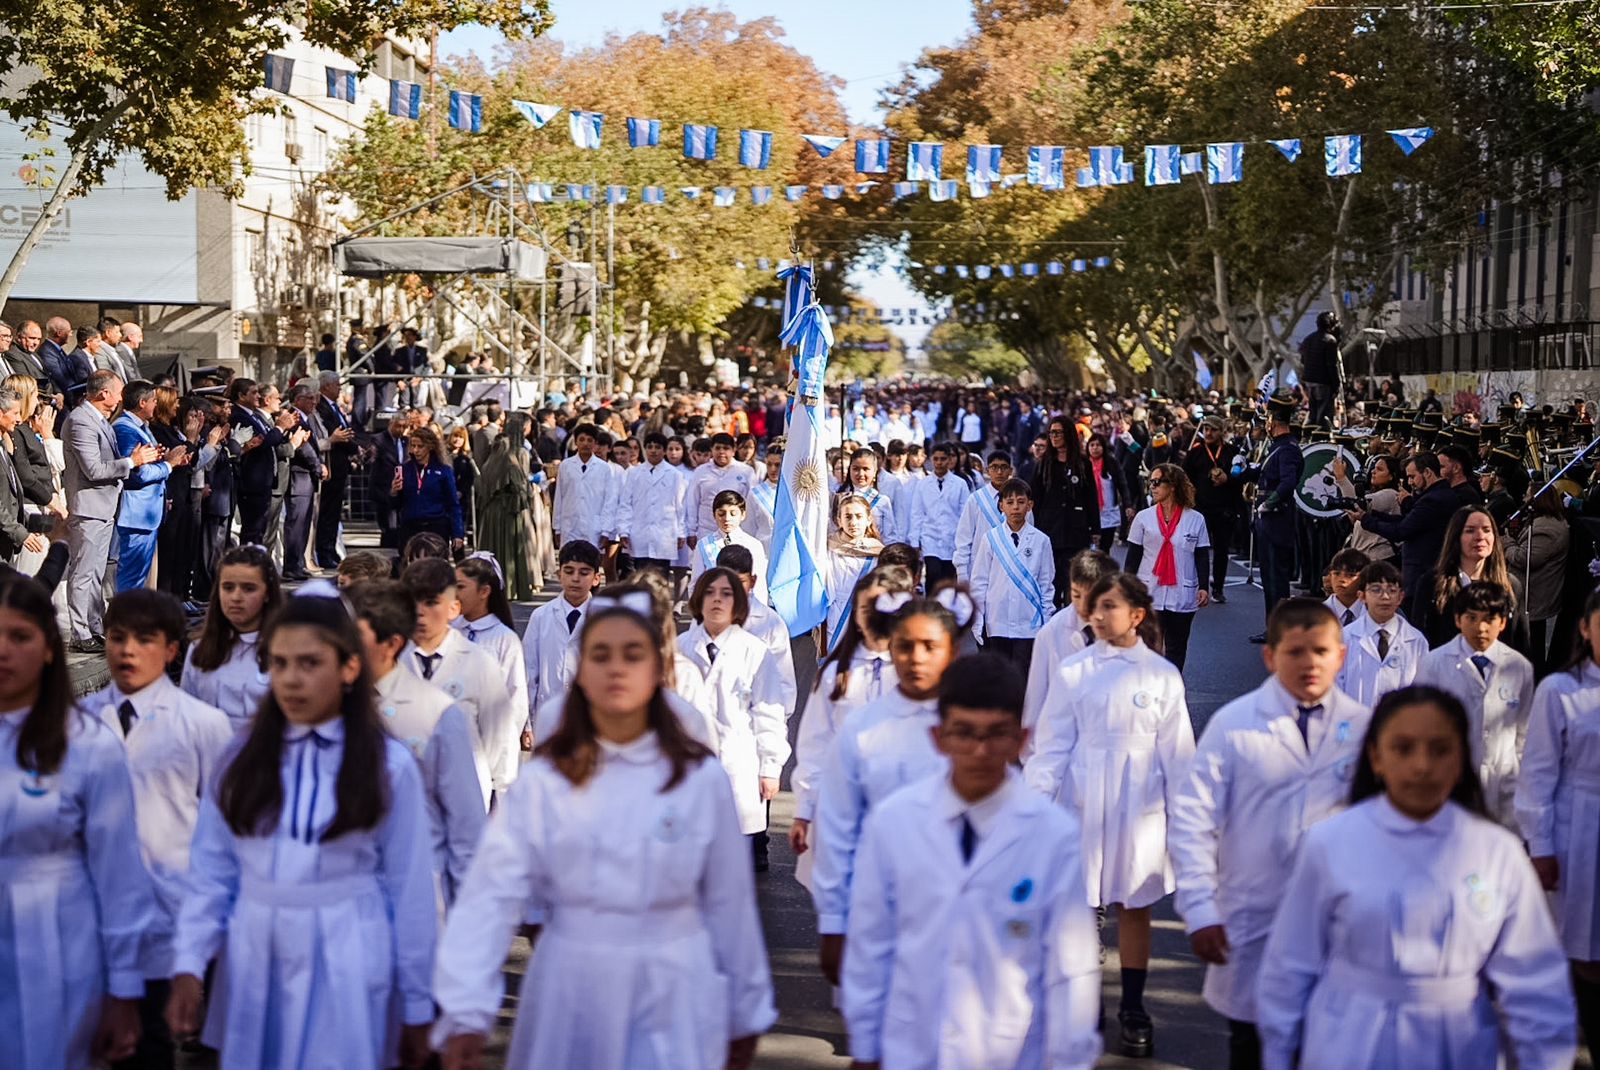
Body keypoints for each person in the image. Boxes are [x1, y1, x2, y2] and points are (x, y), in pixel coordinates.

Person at [432, 601, 775, 1069]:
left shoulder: (698, 779)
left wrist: (745, 1008)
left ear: (657, 670)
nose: (616, 668)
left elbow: (728, 901)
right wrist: (465, 1010)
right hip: (572, 978)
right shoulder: (546, 780)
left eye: (632, 655)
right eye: (601, 655)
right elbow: (491, 894)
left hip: (672, 979)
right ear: (581, 672)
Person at [165, 585, 437, 1069]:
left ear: (349, 667)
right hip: (256, 954)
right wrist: (189, 962)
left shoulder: (386, 765)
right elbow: (211, 870)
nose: (291, 679)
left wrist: (418, 1003)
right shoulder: (241, 760)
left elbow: (410, 890)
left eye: (310, 663)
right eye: (280, 663)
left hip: (347, 952)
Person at [1256, 685, 1575, 1070]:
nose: (1422, 766)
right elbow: (1290, 963)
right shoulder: (1331, 843)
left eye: (1440, 750)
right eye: (1403, 749)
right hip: (1348, 1041)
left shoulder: (1496, 852)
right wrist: (1279, 1053)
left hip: (1461, 1044)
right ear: (1376, 757)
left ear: (1460, 760)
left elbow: (1535, 983)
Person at [843, 654, 1103, 1070]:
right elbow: (871, 942)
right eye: (964, 733)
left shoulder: (1053, 835)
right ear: (938, 736)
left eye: (996, 734)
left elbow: (1070, 966)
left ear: (1021, 739)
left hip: (1014, 1050)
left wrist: (1070, 1060)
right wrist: (866, 1044)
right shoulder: (894, 822)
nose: (980, 751)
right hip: (911, 1045)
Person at [1169, 598, 1372, 1070]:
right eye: (1295, 652)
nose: (1309, 664)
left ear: (1341, 656)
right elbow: (1193, 819)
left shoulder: (1364, 729)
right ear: (1269, 656)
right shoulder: (1234, 724)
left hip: (1339, 921)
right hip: (1254, 917)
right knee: (1253, 1046)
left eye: (1321, 651)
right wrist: (1200, 908)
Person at [1025, 572, 1193, 1055]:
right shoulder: (1074, 671)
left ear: (1137, 615)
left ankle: (1134, 1006)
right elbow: (1051, 748)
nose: (1097, 616)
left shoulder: (1161, 675)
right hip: (1081, 804)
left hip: (1140, 807)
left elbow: (1180, 756)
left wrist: (1189, 824)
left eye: (1109, 607)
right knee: (1081, 909)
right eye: (1094, 607)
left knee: (1134, 907)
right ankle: (1087, 1002)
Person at [0, 577, 156, 1069]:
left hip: (57, 942)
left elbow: (120, 877)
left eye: (19, 637)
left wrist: (124, 990)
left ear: (49, 648)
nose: (2, 651)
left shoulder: (87, 745)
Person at [80, 589, 233, 1069]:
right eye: (117, 638)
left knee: (149, 1045)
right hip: (88, 915)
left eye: (144, 640)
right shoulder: (78, 723)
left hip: (169, 912)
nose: (127, 651)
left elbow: (222, 832)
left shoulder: (204, 724)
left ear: (171, 650)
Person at [811, 588, 977, 986]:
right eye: (904, 646)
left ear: (952, 652)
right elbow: (837, 827)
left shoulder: (973, 728)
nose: (916, 658)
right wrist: (834, 921)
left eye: (930, 647)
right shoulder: (861, 728)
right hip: (877, 902)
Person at [349, 579, 486, 905]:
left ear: (391, 644)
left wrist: (469, 915)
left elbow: (467, 829)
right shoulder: (328, 706)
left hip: (418, 890)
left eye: (352, 638)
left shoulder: (435, 713)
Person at [790, 566, 914, 887]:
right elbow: (815, 745)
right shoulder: (836, 674)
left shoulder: (913, 672)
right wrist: (805, 808)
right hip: (844, 805)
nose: (874, 617)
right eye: (865, 608)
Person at [1515, 586, 1600, 1056]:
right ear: (1585, 629)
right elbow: (1538, 774)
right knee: (1581, 947)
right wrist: (1541, 845)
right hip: (1579, 831)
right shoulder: (1561, 691)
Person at [678, 567, 790, 869]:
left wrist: (770, 768)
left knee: (732, 861)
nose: (717, 600)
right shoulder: (680, 648)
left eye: (726, 594)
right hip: (688, 763)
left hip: (738, 762)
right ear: (698, 599)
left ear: (738, 603)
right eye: (710, 593)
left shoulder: (754, 651)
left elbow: (768, 712)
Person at [1414, 581, 1533, 828]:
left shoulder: (1519, 666)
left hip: (1503, 787)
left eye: (1490, 619)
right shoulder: (1434, 664)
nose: (1481, 628)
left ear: (1503, 622)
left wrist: (1523, 781)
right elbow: (1420, 725)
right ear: (1457, 620)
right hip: (1448, 784)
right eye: (1472, 618)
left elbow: (1524, 734)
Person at [401, 558, 519, 806]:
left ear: (453, 608)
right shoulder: (393, 661)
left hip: (465, 794)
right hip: (406, 795)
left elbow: (499, 737)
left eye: (431, 602)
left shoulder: (479, 664)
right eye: (411, 601)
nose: (419, 612)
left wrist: (502, 795)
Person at [64, 371, 158, 651]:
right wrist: (132, 461)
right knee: (83, 572)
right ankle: (80, 633)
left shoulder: (100, 420)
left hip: (104, 506)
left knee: (96, 573)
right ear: (104, 393)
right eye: (118, 392)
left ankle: (94, 627)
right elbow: (93, 469)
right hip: (89, 508)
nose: (120, 398)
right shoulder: (81, 420)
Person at [1022, 548, 1120, 746]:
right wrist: (1032, 754)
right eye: (1076, 595)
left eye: (1092, 597)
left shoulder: (1125, 630)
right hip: (1063, 744)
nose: (1083, 606)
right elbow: (1036, 700)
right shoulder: (1051, 633)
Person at [181, 545, 283, 730]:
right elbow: (187, 717)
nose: (236, 597)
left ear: (267, 593)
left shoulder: (285, 650)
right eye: (228, 587)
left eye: (248, 588)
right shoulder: (200, 648)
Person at [1124, 463, 1211, 670]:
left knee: (1176, 648)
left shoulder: (1195, 519)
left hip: (1182, 592)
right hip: (1149, 592)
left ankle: (1172, 684)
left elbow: (1201, 556)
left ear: (1172, 486)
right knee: (1149, 647)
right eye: (1150, 482)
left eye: (1157, 482)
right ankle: (1148, 686)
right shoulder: (1143, 518)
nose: (1152, 487)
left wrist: (1203, 586)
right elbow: (1133, 558)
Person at [1353, 453, 1457, 621]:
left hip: (1423, 573)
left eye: (1412, 477)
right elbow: (1407, 521)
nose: (1410, 482)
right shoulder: (1437, 496)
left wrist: (1367, 520)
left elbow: (1401, 531)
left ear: (1427, 472)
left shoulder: (1433, 500)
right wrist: (1371, 516)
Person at [969, 477, 1054, 667]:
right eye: (1010, 502)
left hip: (1029, 622)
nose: (1015, 507)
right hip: (997, 620)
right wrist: (978, 618)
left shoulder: (1041, 540)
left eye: (1021, 502)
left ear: (1030, 505)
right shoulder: (990, 539)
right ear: (1001, 506)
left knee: (1022, 673)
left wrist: (1047, 618)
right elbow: (979, 581)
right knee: (999, 673)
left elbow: (1046, 583)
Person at [1410, 506, 1522, 648]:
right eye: (1470, 530)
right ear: (1456, 537)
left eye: (1486, 530)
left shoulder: (1510, 585)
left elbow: (1520, 644)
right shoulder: (1431, 584)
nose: (1480, 537)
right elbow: (1419, 643)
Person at [110, 380, 184, 592]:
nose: (156, 404)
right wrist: (168, 465)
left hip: (148, 513)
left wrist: (164, 459)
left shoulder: (141, 427)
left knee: (140, 576)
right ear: (142, 402)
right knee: (131, 577)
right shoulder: (125, 429)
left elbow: (147, 464)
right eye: (153, 400)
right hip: (136, 515)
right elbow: (135, 473)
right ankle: (125, 612)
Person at [1245, 396, 1304, 643]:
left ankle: (1279, 629)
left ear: (1273, 421)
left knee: (1276, 579)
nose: (1265, 424)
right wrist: (1244, 469)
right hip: (1267, 520)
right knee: (1269, 577)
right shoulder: (1277, 446)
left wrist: (1270, 503)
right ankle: (1273, 627)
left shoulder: (1288, 448)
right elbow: (1264, 475)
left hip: (1276, 519)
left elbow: (1289, 482)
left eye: (1267, 419)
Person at [451, 555, 530, 737]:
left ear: (484, 592)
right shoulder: (449, 631)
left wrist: (501, 743)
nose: (454, 593)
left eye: (461, 587)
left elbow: (516, 697)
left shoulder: (504, 639)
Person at [522, 539, 602, 716]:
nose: (575, 578)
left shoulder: (604, 619)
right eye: (569, 571)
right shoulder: (541, 616)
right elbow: (529, 669)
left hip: (590, 715)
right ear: (559, 575)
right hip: (547, 712)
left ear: (596, 579)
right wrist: (526, 720)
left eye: (584, 573)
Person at [1336, 561, 1426, 706]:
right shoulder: (1345, 637)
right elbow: (1336, 686)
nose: (1385, 597)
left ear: (1400, 597)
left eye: (1392, 590)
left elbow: (1422, 689)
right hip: (1355, 717)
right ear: (1362, 596)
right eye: (1376, 590)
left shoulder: (1416, 641)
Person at [1031, 418, 1097, 607]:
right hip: (1049, 531)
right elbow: (1035, 499)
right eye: (1051, 432)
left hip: (1076, 532)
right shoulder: (1044, 464)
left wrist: (1095, 529)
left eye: (1058, 432)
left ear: (1068, 434)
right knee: (1051, 584)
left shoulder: (1082, 464)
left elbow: (1091, 498)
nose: (1054, 436)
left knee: (1073, 584)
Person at [1505, 484, 1570, 671]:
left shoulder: (1546, 528)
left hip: (1534, 597)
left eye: (1527, 495)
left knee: (1532, 648)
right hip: (1533, 595)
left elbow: (1525, 558)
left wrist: (1507, 542)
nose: (1524, 500)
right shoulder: (1542, 522)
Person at [1184, 416, 1244, 602]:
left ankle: (1218, 587)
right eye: (1206, 429)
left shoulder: (1233, 452)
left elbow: (1242, 478)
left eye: (1213, 430)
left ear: (1222, 432)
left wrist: (1228, 479)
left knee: (1221, 550)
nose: (1209, 433)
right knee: (1196, 549)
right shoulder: (1195, 452)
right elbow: (1185, 478)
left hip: (1224, 509)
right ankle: (1196, 585)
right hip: (1200, 509)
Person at [225, 378, 287, 547]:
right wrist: (280, 428)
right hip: (252, 482)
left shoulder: (252, 415)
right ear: (241, 396)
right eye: (253, 393)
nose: (258, 396)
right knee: (252, 530)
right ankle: (249, 560)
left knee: (259, 530)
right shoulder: (239, 416)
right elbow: (263, 441)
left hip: (263, 482)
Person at [822, 492, 885, 654]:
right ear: (839, 520)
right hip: (836, 615)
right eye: (848, 517)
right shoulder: (828, 548)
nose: (853, 522)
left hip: (865, 615)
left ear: (868, 519)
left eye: (858, 516)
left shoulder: (878, 553)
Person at [616, 431, 685, 574]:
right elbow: (626, 504)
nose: (653, 451)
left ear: (664, 451)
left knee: (661, 577)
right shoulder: (634, 473)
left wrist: (681, 532)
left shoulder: (675, 475)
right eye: (650, 447)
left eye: (658, 447)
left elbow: (681, 506)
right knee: (640, 575)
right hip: (640, 533)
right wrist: (623, 530)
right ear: (645, 449)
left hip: (665, 534)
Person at [909, 443, 971, 591]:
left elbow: (965, 514)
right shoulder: (923, 484)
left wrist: (965, 539)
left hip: (952, 538)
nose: (939, 463)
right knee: (933, 572)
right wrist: (914, 541)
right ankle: (930, 603)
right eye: (936, 459)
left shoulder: (960, 484)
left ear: (949, 460)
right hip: (930, 537)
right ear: (931, 459)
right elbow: (917, 513)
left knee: (948, 578)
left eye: (943, 459)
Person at [552, 423, 621, 552]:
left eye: (590, 440)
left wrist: (606, 530)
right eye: (582, 439)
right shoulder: (566, 466)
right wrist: (557, 527)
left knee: (591, 558)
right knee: (570, 558)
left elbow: (609, 501)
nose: (585, 444)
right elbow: (559, 497)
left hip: (593, 525)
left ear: (595, 443)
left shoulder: (604, 468)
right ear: (576, 442)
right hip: (569, 525)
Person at [953, 449, 1019, 580]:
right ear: (987, 471)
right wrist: (961, 571)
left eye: (1003, 467)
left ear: (1010, 471)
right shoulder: (976, 499)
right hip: (980, 566)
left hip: (1012, 567)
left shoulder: (1019, 499)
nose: (999, 472)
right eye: (994, 467)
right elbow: (964, 536)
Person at [395, 425, 464, 552]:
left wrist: (457, 533)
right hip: (410, 528)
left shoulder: (443, 471)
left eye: (420, 446)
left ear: (430, 446)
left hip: (436, 527)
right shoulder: (405, 469)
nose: (415, 450)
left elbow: (453, 504)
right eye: (413, 446)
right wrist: (393, 492)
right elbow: (396, 505)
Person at [280, 384, 323, 581]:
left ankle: (298, 563)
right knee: (296, 524)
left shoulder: (307, 418)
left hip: (306, 478)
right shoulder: (294, 418)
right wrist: (318, 467)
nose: (314, 402)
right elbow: (304, 449)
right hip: (299, 477)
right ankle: (291, 565)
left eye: (314, 398)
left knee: (304, 524)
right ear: (298, 400)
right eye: (309, 398)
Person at [683, 431, 754, 546]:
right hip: (706, 530)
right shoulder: (701, 471)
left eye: (726, 448)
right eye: (717, 448)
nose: (721, 452)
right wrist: (691, 531)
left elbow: (750, 503)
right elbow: (692, 502)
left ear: (734, 450)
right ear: (711, 450)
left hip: (735, 530)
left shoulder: (746, 472)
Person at [1298, 310, 1342, 428]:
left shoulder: (1308, 339)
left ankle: (1311, 434)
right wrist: (1336, 384)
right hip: (1323, 383)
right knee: (1324, 416)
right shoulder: (1330, 340)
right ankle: (1321, 436)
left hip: (1309, 381)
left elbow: (1303, 361)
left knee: (1313, 414)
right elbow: (1331, 365)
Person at [1321, 547, 1370, 627]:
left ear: (1364, 578)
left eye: (1351, 575)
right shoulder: (1316, 614)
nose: (1342, 579)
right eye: (1336, 574)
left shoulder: (1375, 613)